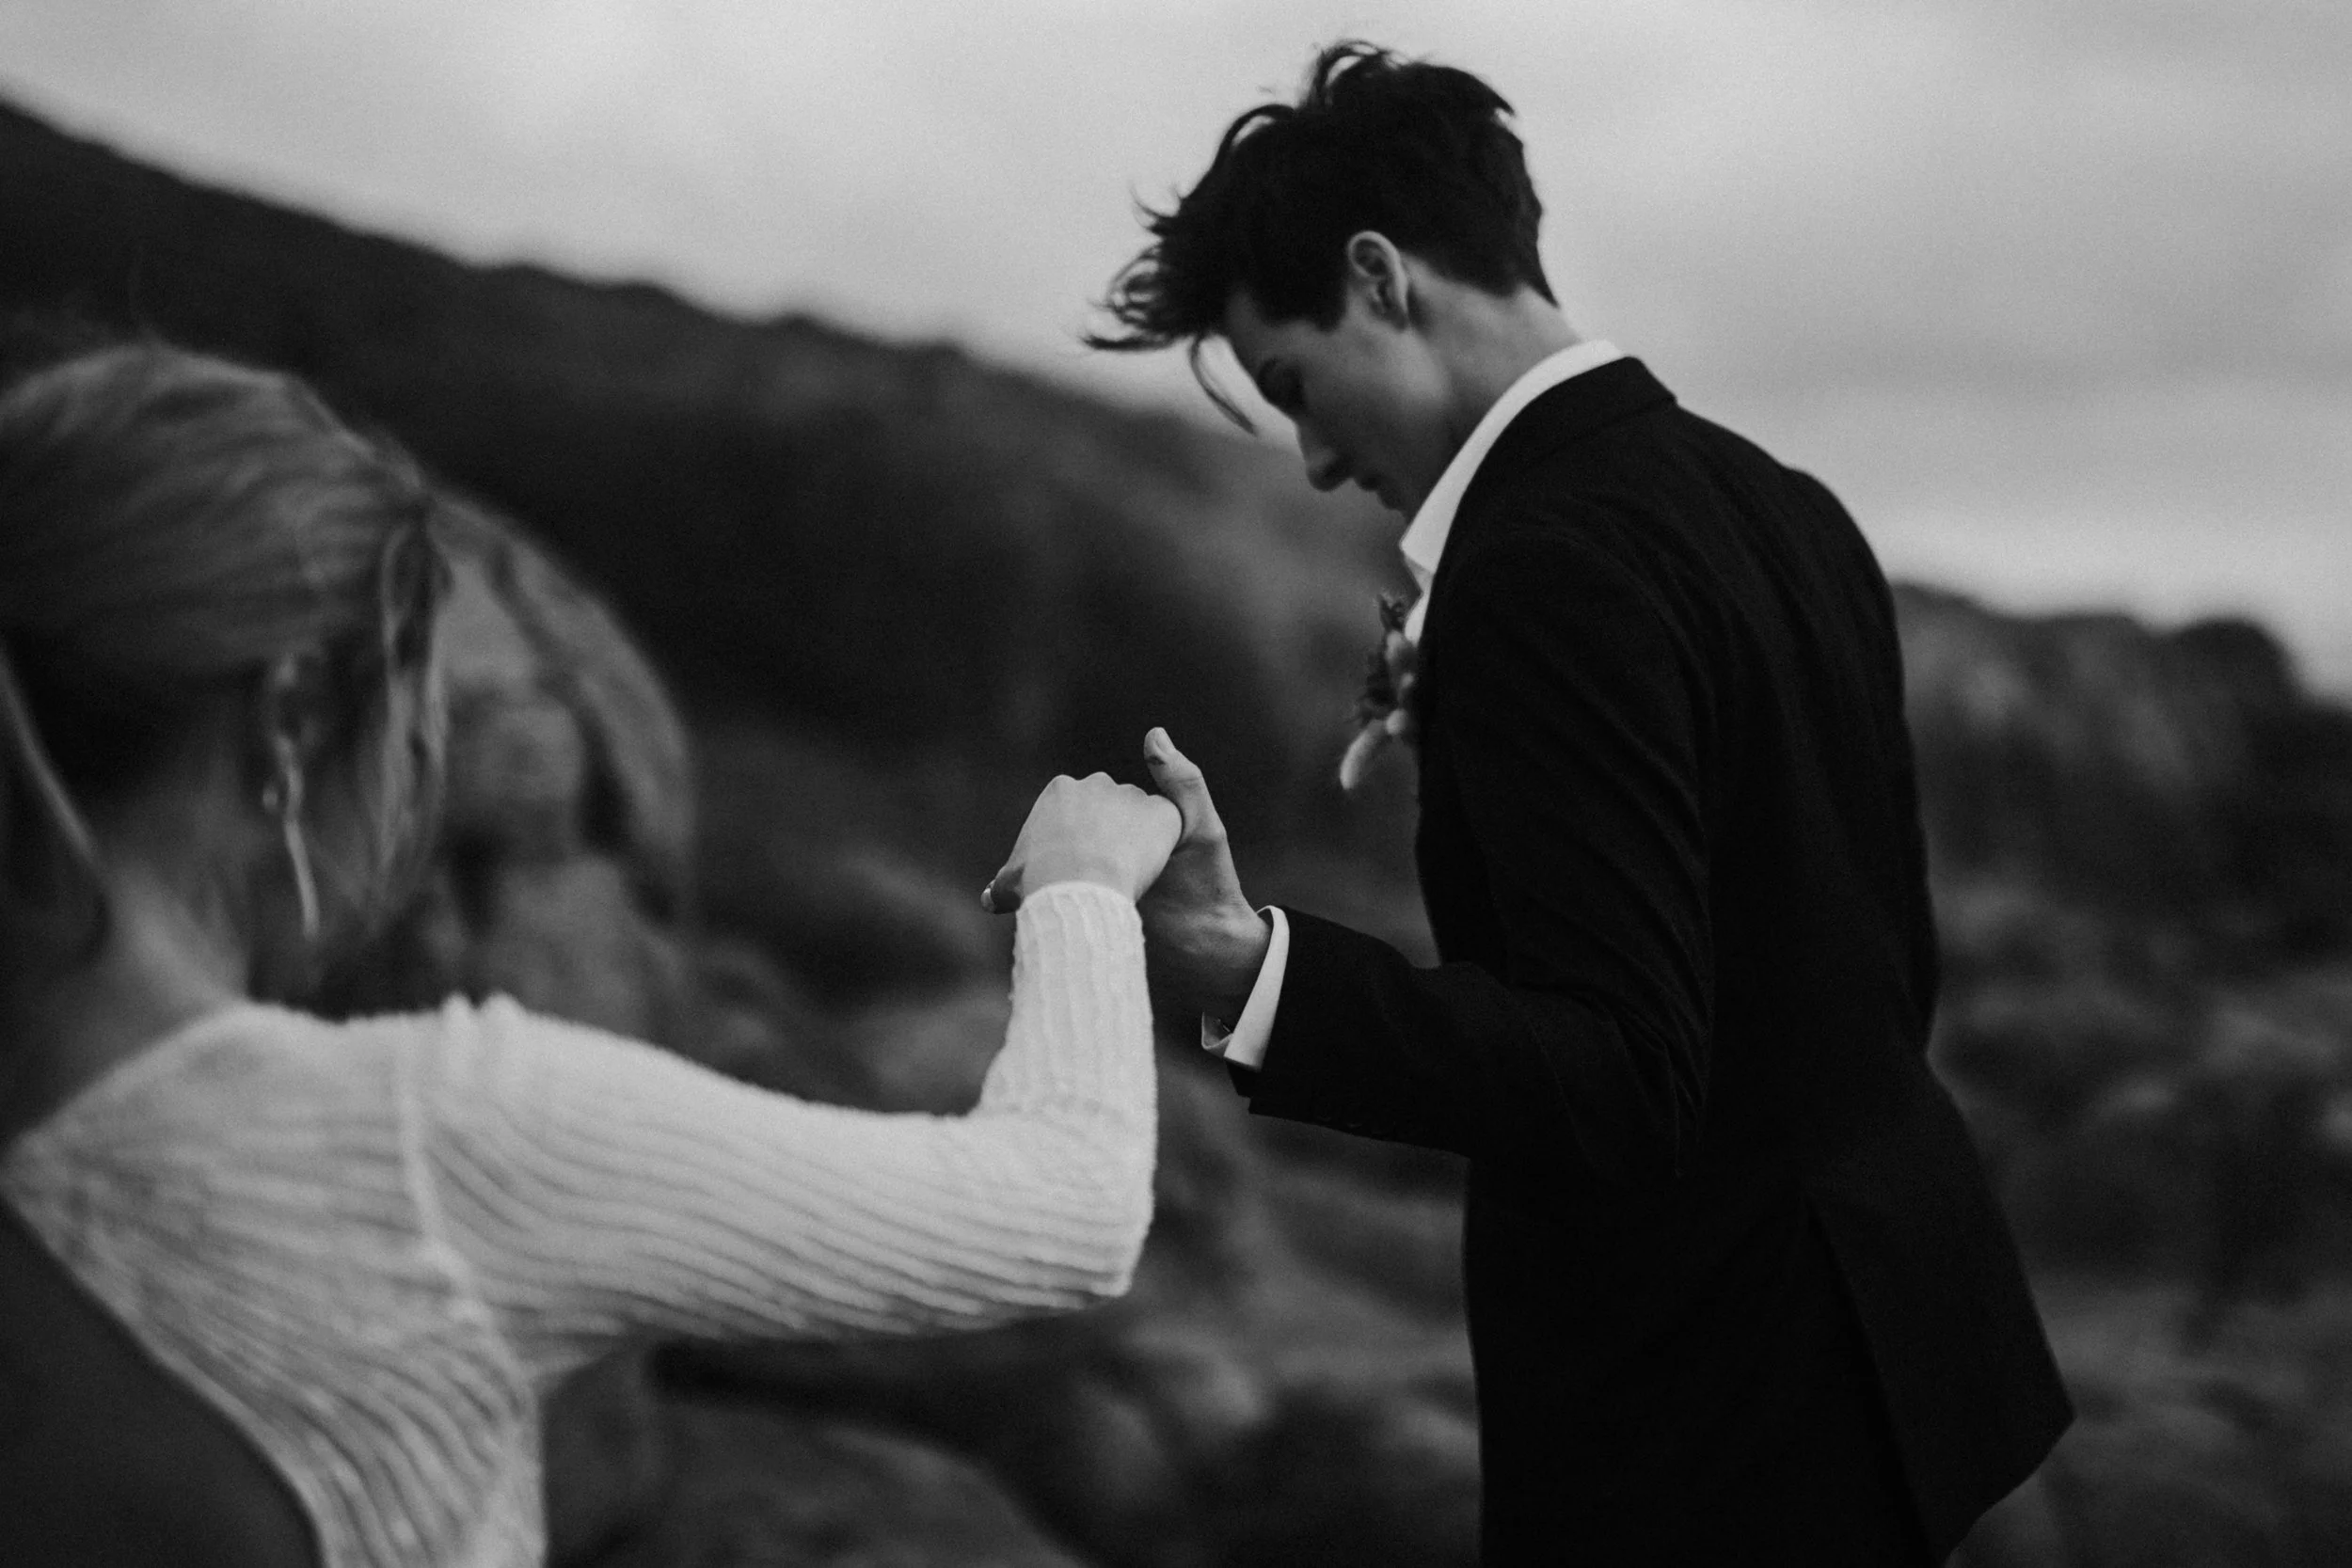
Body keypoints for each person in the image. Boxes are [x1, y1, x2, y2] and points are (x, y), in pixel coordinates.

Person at [1092, 42, 2072, 1564]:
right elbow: (1887, 968)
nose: (1315, 457)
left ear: (1382, 277)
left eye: (1295, 385)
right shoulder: (1783, 503)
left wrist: (1247, 962)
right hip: (1888, 1351)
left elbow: (1617, 1069)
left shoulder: (1542, 571)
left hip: (1703, 1417)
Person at [0, 342, 1177, 1567]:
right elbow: (1069, 1209)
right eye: (411, 734)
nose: (413, 817)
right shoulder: (424, 1148)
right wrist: (1080, 881)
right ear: (293, 722)